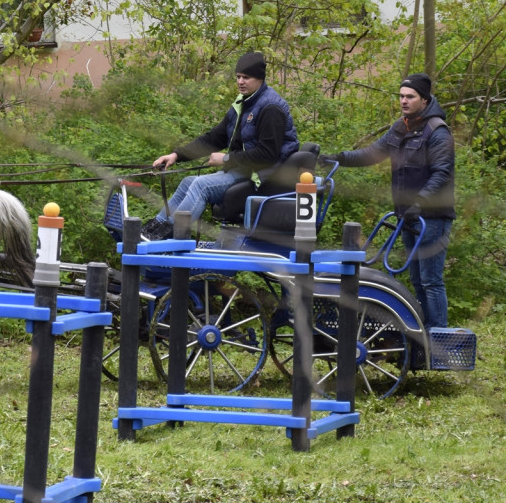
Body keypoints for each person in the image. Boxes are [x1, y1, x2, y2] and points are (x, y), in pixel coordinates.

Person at [321, 73, 455, 329]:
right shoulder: (400, 127)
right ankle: (423, 333)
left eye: (410, 97)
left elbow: (442, 172)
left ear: (424, 100)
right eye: (401, 96)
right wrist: (339, 158)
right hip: (408, 215)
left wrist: (421, 202)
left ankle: (439, 335)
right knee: (416, 279)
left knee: (431, 280)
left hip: (432, 217)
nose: (404, 101)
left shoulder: (437, 131)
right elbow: (372, 154)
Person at [142, 51, 300, 239]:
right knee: (187, 183)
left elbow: (267, 155)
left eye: (246, 77)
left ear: (260, 79)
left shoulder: (270, 108)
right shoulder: (244, 104)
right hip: (245, 170)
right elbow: (214, 138)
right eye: (238, 77)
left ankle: (169, 235)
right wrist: (176, 156)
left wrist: (226, 158)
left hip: (264, 177)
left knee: (201, 185)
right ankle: (156, 227)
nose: (241, 82)